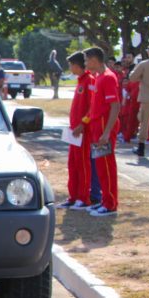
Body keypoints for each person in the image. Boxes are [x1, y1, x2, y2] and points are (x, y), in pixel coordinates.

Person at [80, 47, 121, 216]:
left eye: (86, 60)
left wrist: (107, 132)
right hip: (97, 129)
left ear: (95, 60)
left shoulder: (108, 78)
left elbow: (115, 106)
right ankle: (104, 201)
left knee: (106, 167)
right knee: (100, 167)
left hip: (104, 129)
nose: (85, 64)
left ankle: (110, 204)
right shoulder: (99, 77)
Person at [62, 52, 93, 209]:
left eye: (71, 65)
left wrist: (83, 124)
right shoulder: (80, 81)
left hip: (82, 131)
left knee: (82, 164)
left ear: (77, 64)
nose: (70, 68)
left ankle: (83, 197)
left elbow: (92, 107)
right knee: (73, 164)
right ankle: (73, 196)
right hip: (73, 132)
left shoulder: (89, 81)